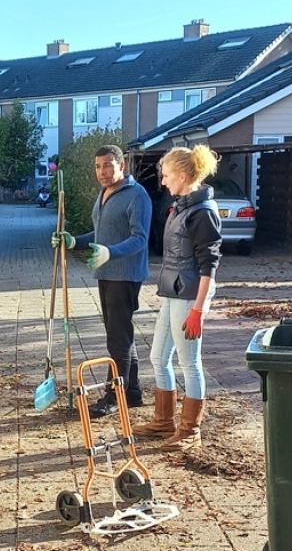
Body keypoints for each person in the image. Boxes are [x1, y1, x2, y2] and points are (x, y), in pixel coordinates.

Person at [52, 145, 152, 418]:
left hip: (125, 275)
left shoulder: (137, 196)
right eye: (97, 166)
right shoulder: (105, 194)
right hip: (106, 273)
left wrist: (111, 252)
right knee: (122, 335)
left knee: (116, 339)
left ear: (122, 165)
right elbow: (100, 232)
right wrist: (75, 241)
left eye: (108, 165)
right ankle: (132, 393)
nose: (102, 171)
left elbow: (140, 238)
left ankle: (113, 396)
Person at [134, 145, 223, 451]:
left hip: (189, 298)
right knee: (157, 357)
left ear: (183, 176)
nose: (163, 181)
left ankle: (190, 430)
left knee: (190, 363)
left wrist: (198, 310)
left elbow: (209, 265)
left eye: (168, 175)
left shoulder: (202, 213)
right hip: (173, 293)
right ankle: (163, 421)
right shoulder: (181, 207)